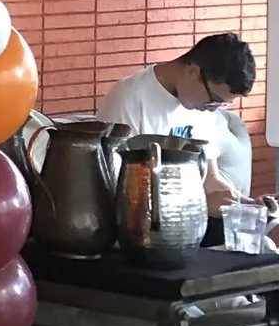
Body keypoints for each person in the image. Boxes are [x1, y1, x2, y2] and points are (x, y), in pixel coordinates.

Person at [98, 33, 257, 211]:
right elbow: (116, 191)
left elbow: (210, 181)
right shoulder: (128, 100)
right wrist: (200, 206)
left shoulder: (200, 108)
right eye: (214, 99)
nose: (212, 109)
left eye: (220, 104)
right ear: (193, 71)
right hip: (143, 218)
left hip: (191, 215)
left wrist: (250, 206)